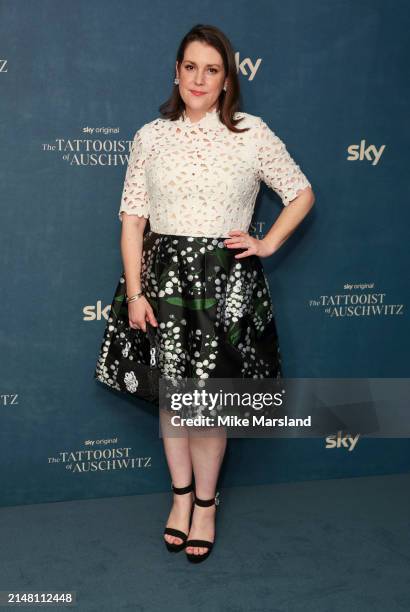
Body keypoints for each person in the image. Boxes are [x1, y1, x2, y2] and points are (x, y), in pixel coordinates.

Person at [94, 23, 315, 563]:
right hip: (163, 283)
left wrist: (266, 244)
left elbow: (301, 193)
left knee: (208, 406)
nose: (199, 78)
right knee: (175, 404)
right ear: (176, 72)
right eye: (190, 67)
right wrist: (136, 293)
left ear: (226, 80)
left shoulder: (251, 134)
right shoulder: (150, 136)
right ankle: (180, 500)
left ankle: (207, 507)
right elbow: (132, 223)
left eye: (211, 69)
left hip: (224, 285)